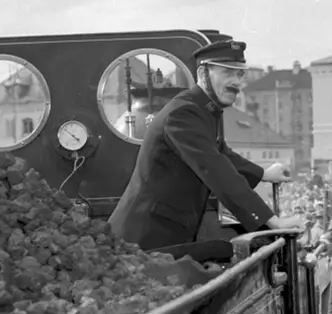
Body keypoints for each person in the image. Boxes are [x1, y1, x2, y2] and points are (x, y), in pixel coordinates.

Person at [108, 38, 302, 250]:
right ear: (202, 74)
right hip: (142, 239)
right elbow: (217, 170)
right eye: (227, 72)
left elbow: (220, 153)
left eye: (239, 74)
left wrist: (263, 174)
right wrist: (273, 221)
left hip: (163, 232)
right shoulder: (184, 113)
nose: (236, 81)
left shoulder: (204, 109)